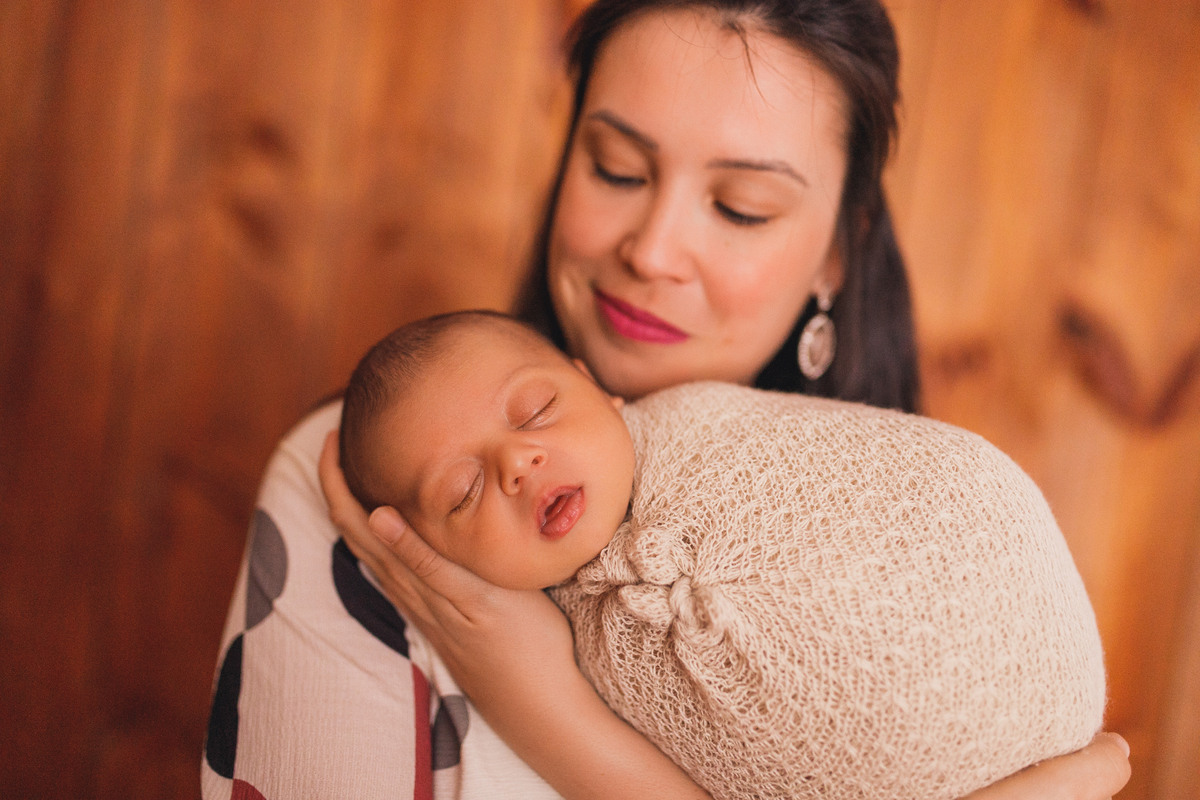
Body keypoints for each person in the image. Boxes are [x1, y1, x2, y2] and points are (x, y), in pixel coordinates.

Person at [203, 2, 1132, 799]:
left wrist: (551, 704)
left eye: (740, 208)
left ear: (837, 253)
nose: (651, 249)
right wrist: (539, 700)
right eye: (616, 168)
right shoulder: (386, 494)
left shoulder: (929, 586)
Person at [335, 309, 1107, 800]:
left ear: (594, 387)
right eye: (463, 493)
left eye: (536, 410)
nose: (517, 463)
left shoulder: (706, 429)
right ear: (426, 556)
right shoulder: (552, 646)